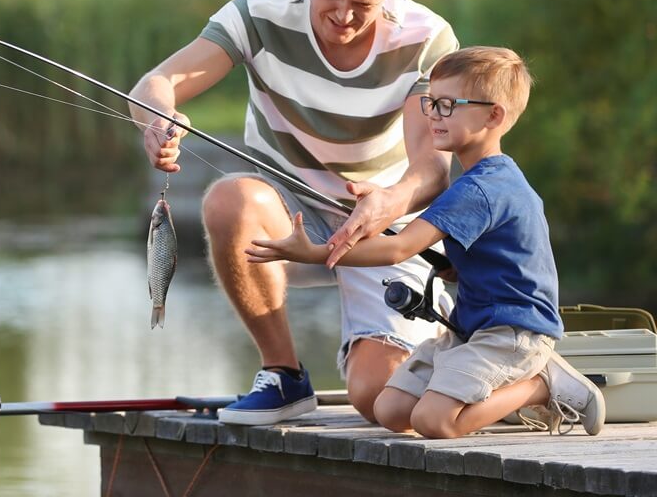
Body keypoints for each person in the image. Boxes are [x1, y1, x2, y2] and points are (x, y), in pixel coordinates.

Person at [129, 0, 458, 424]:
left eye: (363, 4)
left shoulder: (426, 39)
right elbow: (158, 82)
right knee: (230, 198)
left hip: (382, 225)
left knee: (380, 401)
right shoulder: (259, 13)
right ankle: (283, 375)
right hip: (283, 214)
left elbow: (432, 169)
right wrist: (156, 118)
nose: (343, 16)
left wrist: (388, 202)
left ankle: (464, 362)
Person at [247, 47, 605, 437]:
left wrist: (316, 253)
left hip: (514, 332)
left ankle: (542, 384)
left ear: (494, 115)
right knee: (390, 409)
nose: (433, 114)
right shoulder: (484, 180)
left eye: (448, 105)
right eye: (431, 103)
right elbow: (499, 253)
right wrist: (456, 263)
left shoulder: (482, 188)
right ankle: (511, 385)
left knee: (433, 422)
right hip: (471, 329)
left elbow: (400, 248)